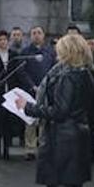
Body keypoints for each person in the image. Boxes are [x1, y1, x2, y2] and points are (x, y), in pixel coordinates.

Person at [15, 32, 94, 187]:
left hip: (64, 140)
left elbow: (60, 111)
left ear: (68, 51)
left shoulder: (69, 76)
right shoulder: (82, 74)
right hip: (73, 138)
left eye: (60, 49)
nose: (57, 52)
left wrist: (28, 107)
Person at [20, 25, 55, 160]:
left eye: (39, 33)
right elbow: (21, 71)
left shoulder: (50, 51)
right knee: (30, 120)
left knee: (44, 119)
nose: (36, 35)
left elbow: (53, 69)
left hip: (46, 90)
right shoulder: (26, 51)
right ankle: (30, 149)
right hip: (30, 90)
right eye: (33, 33)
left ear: (43, 35)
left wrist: (46, 86)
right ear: (30, 36)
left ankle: (43, 147)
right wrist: (32, 86)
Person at [0, 30, 21, 160]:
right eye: (0, 40)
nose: (3, 42)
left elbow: (19, 74)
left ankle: (7, 149)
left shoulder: (14, 55)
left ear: (8, 41)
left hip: (11, 93)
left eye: (5, 40)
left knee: (8, 122)